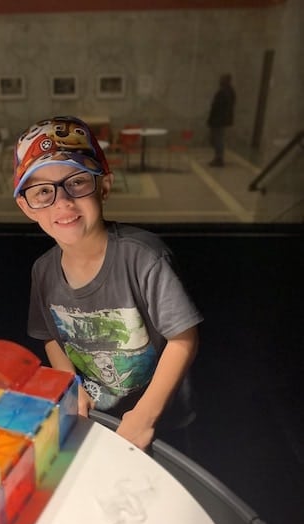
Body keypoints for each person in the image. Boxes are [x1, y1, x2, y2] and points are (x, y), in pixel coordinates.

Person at [13, 116, 203, 452]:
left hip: (161, 419)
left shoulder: (144, 257)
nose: (63, 201)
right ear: (27, 206)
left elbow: (183, 337)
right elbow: (49, 337)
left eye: (76, 182)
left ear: (104, 185)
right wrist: (71, 384)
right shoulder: (42, 271)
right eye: (43, 191)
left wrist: (145, 416)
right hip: (94, 419)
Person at [207, 73, 236, 167]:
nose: (220, 81)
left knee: (217, 139)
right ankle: (218, 157)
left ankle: (219, 158)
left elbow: (219, 107)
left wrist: (215, 119)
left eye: (222, 79)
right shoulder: (228, 91)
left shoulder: (225, 92)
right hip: (220, 120)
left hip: (218, 120)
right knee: (216, 139)